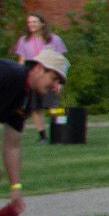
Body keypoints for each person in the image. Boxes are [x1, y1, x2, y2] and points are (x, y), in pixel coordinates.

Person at [0, 47, 68, 216]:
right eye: (54, 78)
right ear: (38, 69)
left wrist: (16, 187)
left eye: (59, 82)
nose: (55, 86)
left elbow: (12, 144)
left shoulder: (26, 99)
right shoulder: (9, 73)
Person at [14, 12, 66, 142]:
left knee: (53, 106)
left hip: (49, 75)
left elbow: (61, 61)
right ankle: (43, 137)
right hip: (33, 77)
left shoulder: (54, 39)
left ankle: (61, 132)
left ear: (42, 23)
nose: (31, 24)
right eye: (29, 22)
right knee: (35, 107)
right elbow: (21, 61)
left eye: (34, 22)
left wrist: (59, 82)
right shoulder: (24, 40)